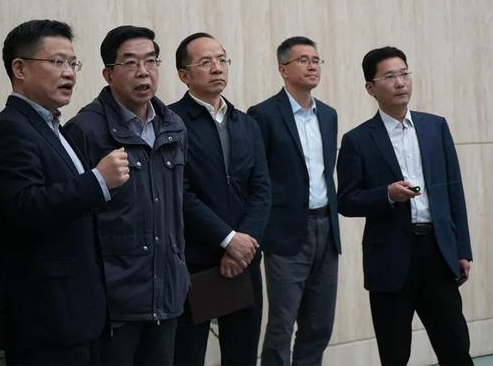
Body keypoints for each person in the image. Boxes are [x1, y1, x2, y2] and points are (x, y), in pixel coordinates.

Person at [0, 19, 129, 365]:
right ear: (20, 68)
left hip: (80, 314)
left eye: (73, 63)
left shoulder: (52, 126)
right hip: (47, 318)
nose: (69, 73)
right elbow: (23, 208)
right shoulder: (10, 129)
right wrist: (97, 181)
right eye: (57, 62)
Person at [337, 46, 473, 365]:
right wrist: (386, 194)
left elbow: (455, 192)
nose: (400, 83)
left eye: (404, 74)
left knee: (455, 347)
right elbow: (346, 201)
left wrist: (462, 249)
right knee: (395, 353)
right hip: (390, 258)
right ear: (370, 88)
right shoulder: (357, 140)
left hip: (437, 251)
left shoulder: (435, 127)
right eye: (390, 76)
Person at [64, 25, 189, 365]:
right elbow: (75, 211)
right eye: (131, 63)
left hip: (166, 291)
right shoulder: (86, 129)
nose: (143, 72)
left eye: (151, 61)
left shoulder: (174, 126)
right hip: (114, 299)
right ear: (108, 74)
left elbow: (177, 204)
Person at [169, 32, 270, 366]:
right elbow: (180, 192)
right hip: (195, 261)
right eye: (205, 62)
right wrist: (227, 239)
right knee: (188, 356)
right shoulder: (171, 123)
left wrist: (243, 243)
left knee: (242, 355)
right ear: (184, 75)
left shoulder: (247, 123)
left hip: (244, 259)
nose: (217, 68)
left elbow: (262, 189)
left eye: (222, 59)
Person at [247, 36, 341, 366]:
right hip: (285, 233)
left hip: (326, 229)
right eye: (303, 60)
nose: (312, 66)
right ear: (283, 69)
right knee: (282, 323)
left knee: (319, 324)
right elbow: (256, 178)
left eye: (316, 60)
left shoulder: (328, 115)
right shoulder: (263, 115)